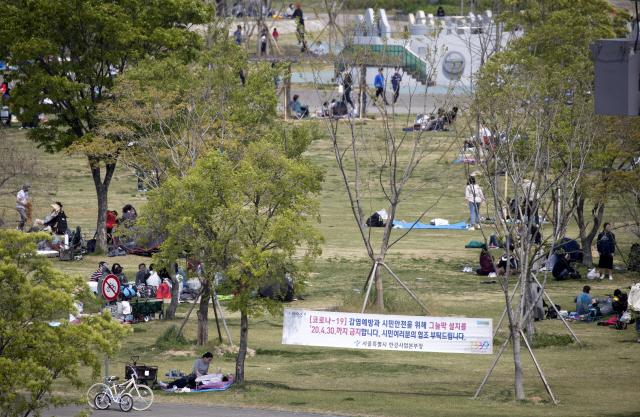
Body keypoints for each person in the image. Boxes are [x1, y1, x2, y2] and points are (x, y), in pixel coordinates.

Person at [158, 352, 222, 389]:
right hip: (194, 375)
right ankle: (167, 385)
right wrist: (199, 375)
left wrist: (210, 376)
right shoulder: (197, 361)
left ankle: (166, 386)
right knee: (182, 380)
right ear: (205, 357)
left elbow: (206, 372)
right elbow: (196, 371)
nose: (209, 361)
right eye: (209, 360)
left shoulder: (207, 364)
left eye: (210, 360)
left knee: (184, 382)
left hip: (200, 377)